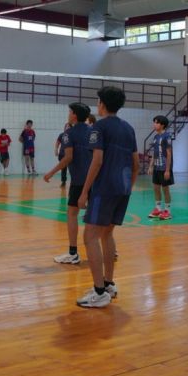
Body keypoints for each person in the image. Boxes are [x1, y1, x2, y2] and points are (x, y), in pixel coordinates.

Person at [75, 86, 138, 308]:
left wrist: (84, 192)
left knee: (90, 236)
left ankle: (99, 291)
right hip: (122, 188)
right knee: (107, 234)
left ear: (102, 103)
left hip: (104, 189)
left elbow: (97, 160)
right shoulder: (128, 128)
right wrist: (128, 187)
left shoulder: (98, 128)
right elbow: (136, 163)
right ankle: (109, 284)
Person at [43, 103, 92, 265]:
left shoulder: (68, 134)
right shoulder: (94, 131)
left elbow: (68, 157)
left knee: (72, 214)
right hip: (95, 179)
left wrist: (51, 172)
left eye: (70, 112)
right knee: (97, 215)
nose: (68, 114)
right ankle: (110, 249)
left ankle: (73, 253)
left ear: (74, 115)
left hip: (79, 181)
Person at [148, 115, 174, 220]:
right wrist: (151, 166)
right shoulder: (155, 137)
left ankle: (167, 211)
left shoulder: (167, 137)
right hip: (157, 168)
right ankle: (158, 209)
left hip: (164, 168)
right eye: (154, 122)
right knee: (156, 188)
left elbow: (169, 154)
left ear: (162, 125)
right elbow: (154, 153)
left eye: (156, 122)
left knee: (165, 189)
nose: (154, 124)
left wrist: (167, 170)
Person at [53, 123, 70, 188]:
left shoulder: (73, 135)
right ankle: (63, 181)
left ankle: (74, 182)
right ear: (64, 128)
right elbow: (57, 143)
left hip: (70, 155)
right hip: (62, 154)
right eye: (66, 126)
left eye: (69, 126)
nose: (67, 127)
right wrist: (56, 149)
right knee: (63, 168)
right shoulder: (62, 135)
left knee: (73, 169)